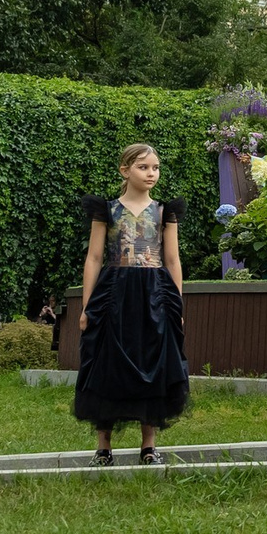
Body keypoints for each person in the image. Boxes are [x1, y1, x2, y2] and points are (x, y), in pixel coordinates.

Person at [74, 143, 191, 467]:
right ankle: (103, 447)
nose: (151, 173)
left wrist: (176, 306)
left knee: (154, 362)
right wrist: (87, 307)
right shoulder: (107, 210)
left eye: (155, 168)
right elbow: (94, 257)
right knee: (106, 363)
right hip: (114, 295)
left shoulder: (165, 212)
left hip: (154, 296)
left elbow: (172, 259)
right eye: (143, 167)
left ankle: (148, 446)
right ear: (125, 170)